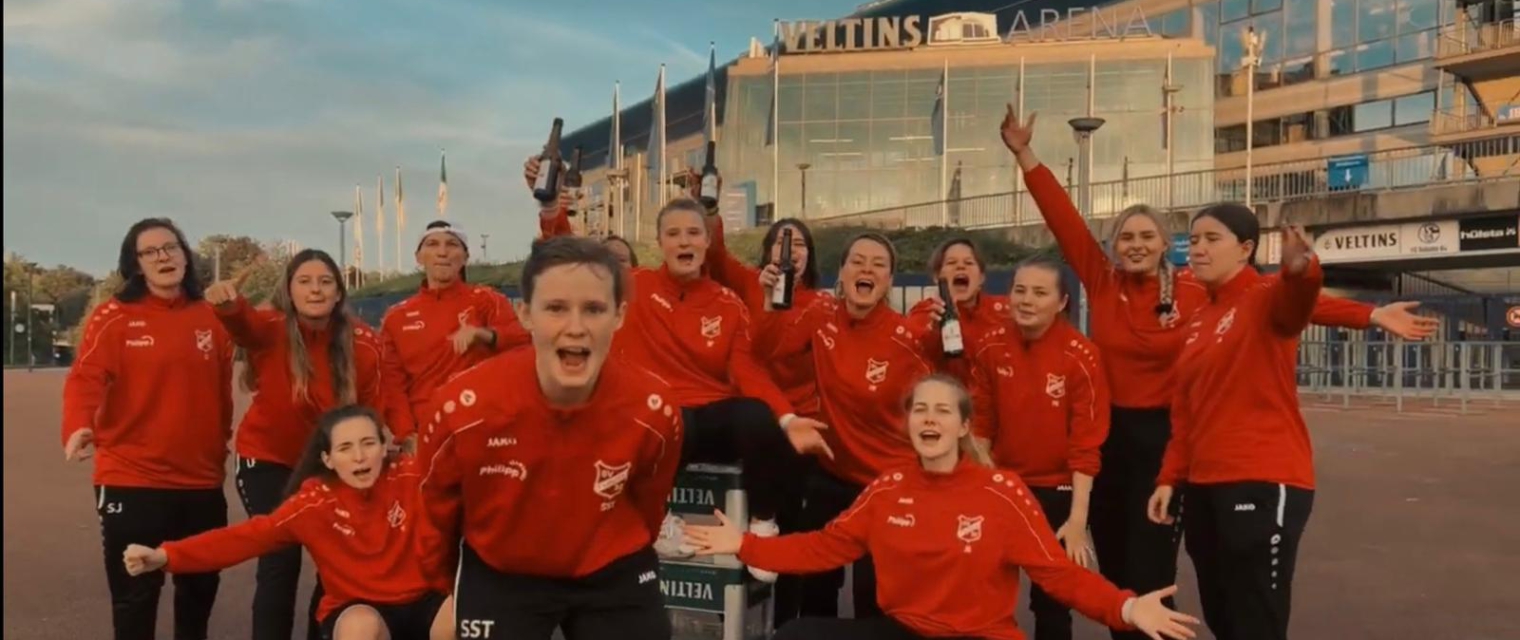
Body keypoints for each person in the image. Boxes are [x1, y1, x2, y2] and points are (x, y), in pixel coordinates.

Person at [998, 106, 1440, 635]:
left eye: (1147, 236)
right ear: (1114, 247)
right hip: (1115, 436)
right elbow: (1063, 218)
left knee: (1154, 564)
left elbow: (1281, 299)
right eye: (1125, 237)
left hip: (1170, 437)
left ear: (1166, 245)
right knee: (1115, 565)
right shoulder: (1103, 281)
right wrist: (1025, 154)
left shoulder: (1194, 290)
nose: (1135, 244)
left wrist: (1368, 313)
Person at [683, 375, 1199, 640]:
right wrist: (745, 545)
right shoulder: (887, 489)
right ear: (909, 424)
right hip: (905, 632)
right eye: (920, 410)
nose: (929, 418)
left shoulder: (1001, 491)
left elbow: (1058, 575)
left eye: (942, 410)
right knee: (797, 636)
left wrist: (1127, 607)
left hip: (982, 637)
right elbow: (826, 546)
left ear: (962, 426)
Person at [527, 158, 832, 582]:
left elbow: (747, 369)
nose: (684, 241)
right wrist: (549, 210)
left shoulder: (728, 303)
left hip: (710, 419)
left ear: (707, 242)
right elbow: (573, 258)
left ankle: (762, 527)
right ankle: (660, 521)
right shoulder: (635, 286)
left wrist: (788, 416)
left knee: (756, 416)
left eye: (693, 233)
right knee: (656, 412)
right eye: (673, 234)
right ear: (660, 243)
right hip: (661, 420)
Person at [415, 237, 683, 640]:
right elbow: (434, 509)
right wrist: (444, 591)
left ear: (619, 316)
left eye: (594, 309)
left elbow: (650, 500)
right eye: (556, 308)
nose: (575, 328)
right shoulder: (461, 407)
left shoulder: (654, 408)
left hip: (611, 568)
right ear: (525, 315)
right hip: (501, 568)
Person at [205, 249, 407, 640]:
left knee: (340, 558)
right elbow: (243, 325)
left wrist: (399, 436)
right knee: (279, 557)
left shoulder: (364, 342)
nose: (315, 290)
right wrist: (227, 305)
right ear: (290, 291)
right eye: (305, 281)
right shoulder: (272, 327)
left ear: (338, 292)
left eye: (325, 281)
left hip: (330, 462)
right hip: (268, 461)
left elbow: (380, 401)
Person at [123, 405, 452, 640]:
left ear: (384, 447)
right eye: (345, 448)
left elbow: (476, 492)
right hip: (360, 609)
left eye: (368, 444)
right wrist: (167, 555)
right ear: (328, 459)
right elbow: (246, 538)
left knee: (465, 611)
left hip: (425, 602)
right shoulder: (313, 504)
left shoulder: (416, 477)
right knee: (359, 629)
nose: (359, 457)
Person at [1147, 209, 1322, 640]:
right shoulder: (1200, 320)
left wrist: (1301, 270)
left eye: (1212, 239)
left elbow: (1297, 303)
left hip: (1262, 479)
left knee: (1255, 616)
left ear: (1246, 249)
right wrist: (1170, 478)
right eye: (1193, 239)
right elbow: (1186, 412)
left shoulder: (1265, 294)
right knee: (1222, 613)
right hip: (1205, 485)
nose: (1199, 249)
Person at [62, 218, 235, 640]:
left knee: (198, 592)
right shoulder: (113, 316)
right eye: (151, 251)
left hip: (201, 481)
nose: (164, 257)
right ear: (135, 264)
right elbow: (85, 378)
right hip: (131, 478)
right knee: (136, 596)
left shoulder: (211, 317)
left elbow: (226, 386)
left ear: (185, 255)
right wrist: (78, 425)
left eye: (171, 247)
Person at [753, 233, 932, 618]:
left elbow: (943, 409)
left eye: (878, 264)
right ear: (843, 272)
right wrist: (769, 304)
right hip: (832, 473)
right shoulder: (821, 316)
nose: (866, 268)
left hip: (887, 483)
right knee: (815, 591)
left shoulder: (908, 339)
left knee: (875, 599)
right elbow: (766, 354)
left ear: (889, 281)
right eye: (857, 261)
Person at [970, 258, 1111, 640]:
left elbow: (1086, 444)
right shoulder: (991, 346)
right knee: (978, 590)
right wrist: (983, 487)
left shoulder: (1081, 356)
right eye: (1020, 290)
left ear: (1062, 302)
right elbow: (981, 427)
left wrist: (1078, 521)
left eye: (1039, 292)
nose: (1027, 300)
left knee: (1051, 599)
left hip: (1056, 490)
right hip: (1005, 488)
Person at [380, 221, 530, 443]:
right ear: (419, 257)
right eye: (432, 244)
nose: (442, 252)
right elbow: (393, 386)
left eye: (452, 244)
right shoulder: (396, 317)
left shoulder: (487, 300)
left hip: (485, 427)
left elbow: (524, 343)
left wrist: (484, 335)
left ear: (465, 257)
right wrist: (406, 434)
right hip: (428, 434)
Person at [908, 237, 1012, 384]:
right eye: (951, 263)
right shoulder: (925, 313)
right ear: (937, 277)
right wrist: (935, 334)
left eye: (969, 263)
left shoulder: (1005, 311)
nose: (961, 267)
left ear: (982, 277)